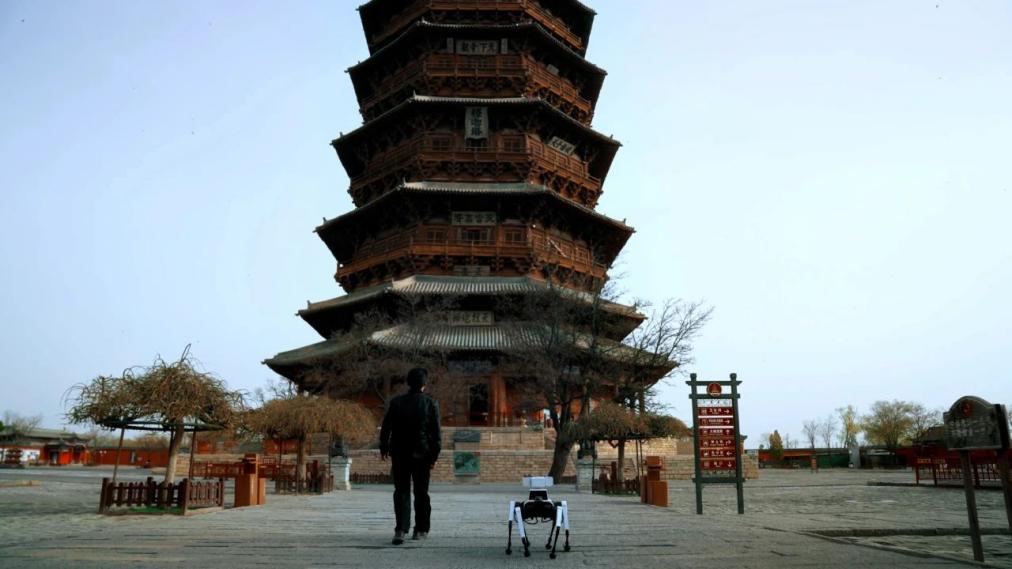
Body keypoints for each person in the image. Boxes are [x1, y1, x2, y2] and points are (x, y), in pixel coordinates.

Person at [380, 367, 441, 545]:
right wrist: (434, 457)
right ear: (424, 384)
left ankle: (400, 530)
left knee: (401, 492)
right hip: (422, 455)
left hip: (399, 454)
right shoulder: (430, 404)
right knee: (421, 493)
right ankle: (421, 529)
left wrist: (384, 447)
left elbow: (386, 428)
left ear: (407, 383)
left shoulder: (396, 402)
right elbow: (436, 434)